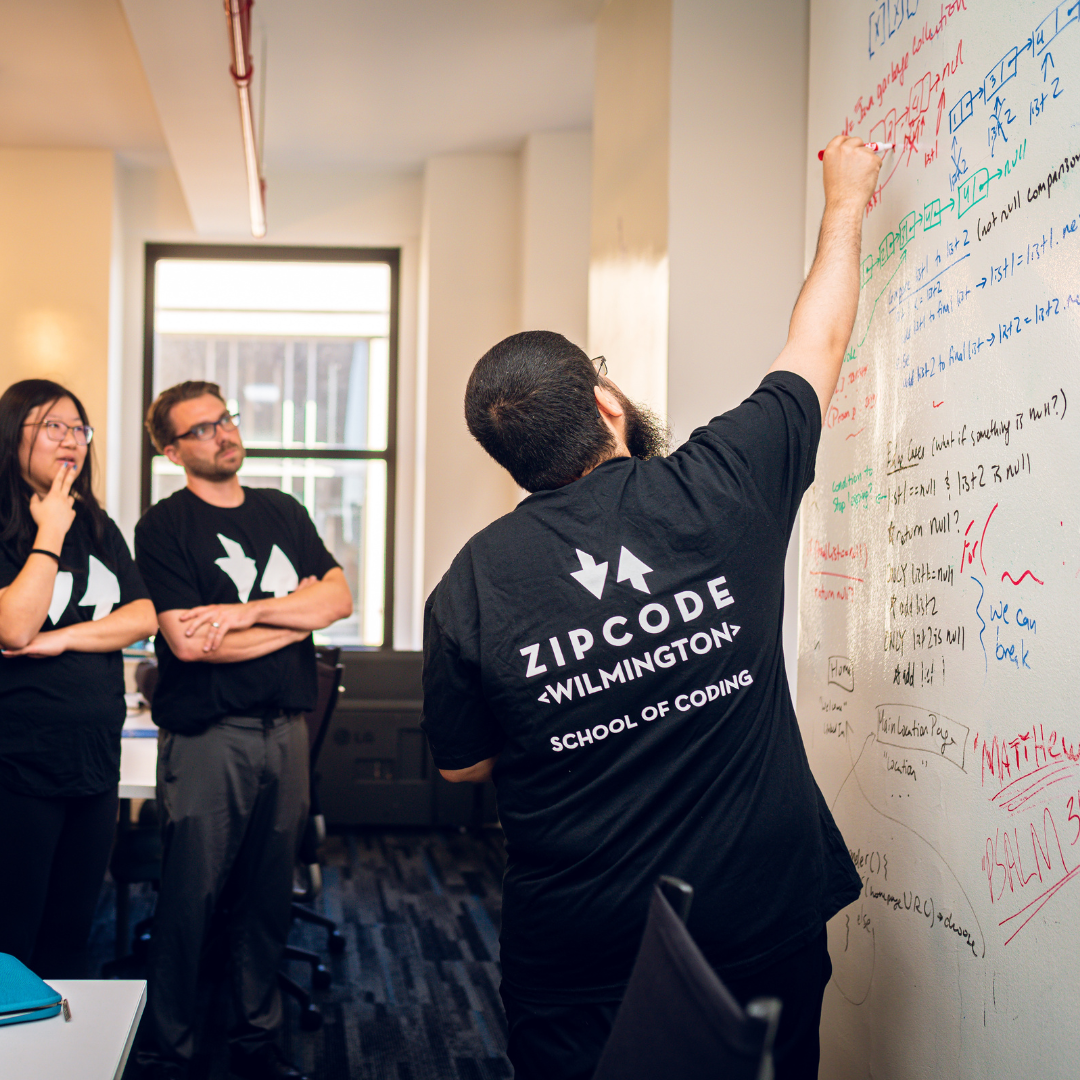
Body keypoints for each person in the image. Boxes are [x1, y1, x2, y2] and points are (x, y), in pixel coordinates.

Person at [420, 136, 883, 1080]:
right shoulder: (718, 488)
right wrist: (845, 201)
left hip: (578, 958)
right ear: (606, 404)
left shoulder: (470, 583)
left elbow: (462, 763)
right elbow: (817, 346)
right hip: (753, 928)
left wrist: (575, 709)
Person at [133, 381, 353, 1080]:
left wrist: (245, 613)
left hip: (285, 733)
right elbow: (190, 644)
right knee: (189, 901)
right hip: (209, 738)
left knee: (267, 898)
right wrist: (294, 617)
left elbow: (339, 598)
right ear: (173, 452)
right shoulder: (164, 527)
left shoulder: (282, 510)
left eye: (224, 418)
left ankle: (258, 1041)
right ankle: (169, 1048)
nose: (223, 433)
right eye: (201, 429)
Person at [0, 380, 157, 978]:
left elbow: (142, 616)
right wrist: (49, 531)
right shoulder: (15, 525)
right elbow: (14, 626)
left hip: (93, 762)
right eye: (53, 427)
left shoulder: (96, 524)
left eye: (79, 428)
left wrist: (61, 638)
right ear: (12, 434)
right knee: (14, 938)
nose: (71, 440)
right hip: (19, 765)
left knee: (72, 933)